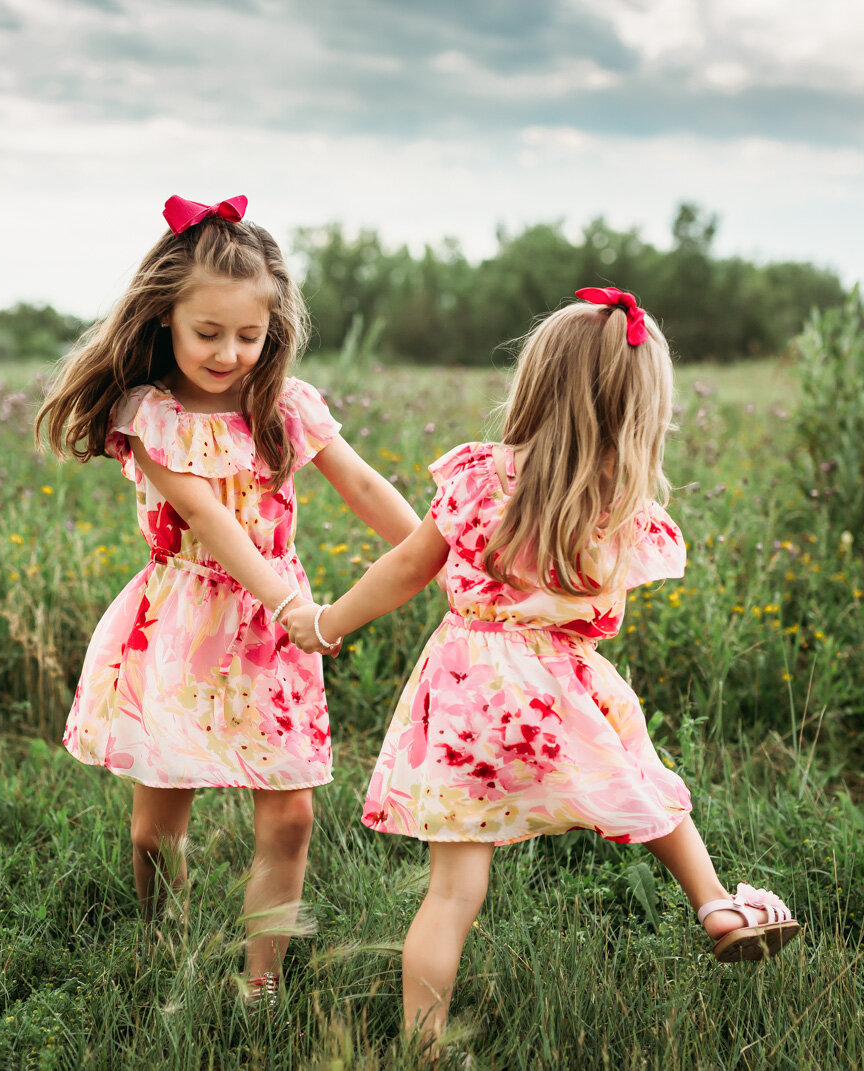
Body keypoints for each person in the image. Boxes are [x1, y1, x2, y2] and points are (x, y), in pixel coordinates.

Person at [285, 288, 800, 1046]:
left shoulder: (475, 479)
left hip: (465, 692)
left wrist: (326, 622)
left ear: (533, 383)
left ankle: (424, 1047)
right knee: (648, 791)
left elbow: (405, 569)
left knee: (454, 890)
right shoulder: (619, 508)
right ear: (639, 411)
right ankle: (716, 902)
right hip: (564, 688)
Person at [36, 195, 420, 1005]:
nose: (229, 352)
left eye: (250, 335)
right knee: (154, 828)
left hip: (275, 633)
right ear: (164, 317)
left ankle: (261, 982)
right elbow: (208, 519)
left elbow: (359, 481)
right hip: (183, 623)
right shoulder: (149, 414)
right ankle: (162, 943)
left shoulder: (285, 403)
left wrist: (434, 552)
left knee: (290, 818)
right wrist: (293, 607)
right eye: (208, 333)